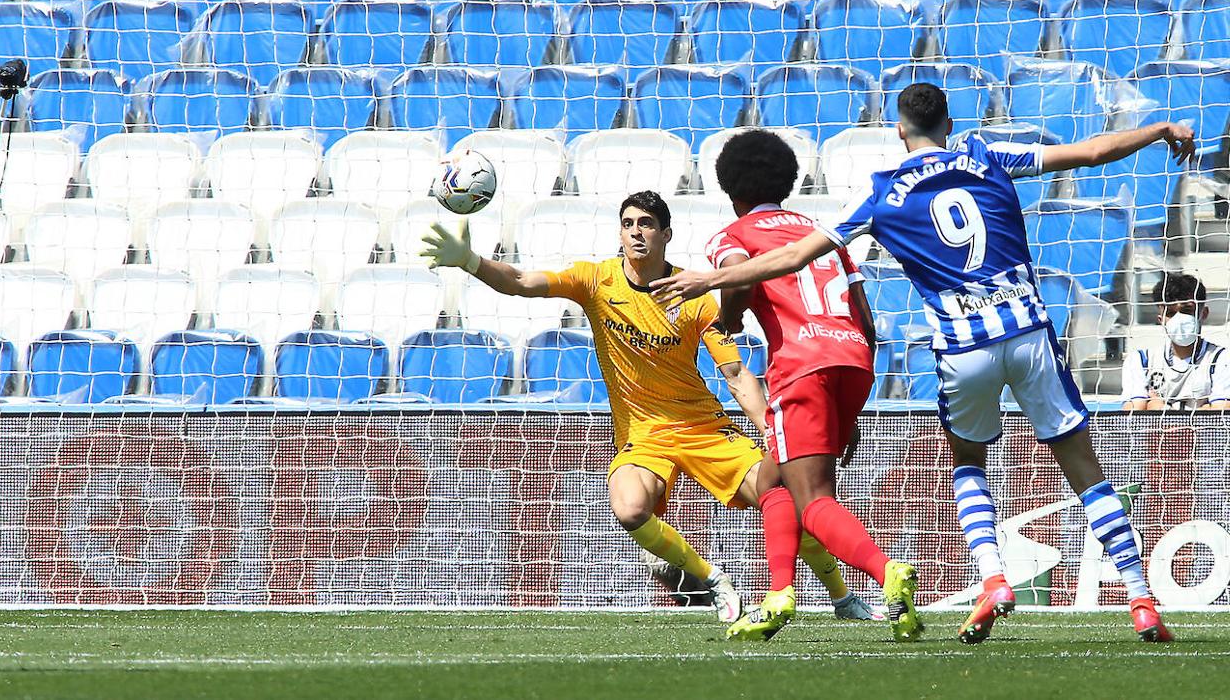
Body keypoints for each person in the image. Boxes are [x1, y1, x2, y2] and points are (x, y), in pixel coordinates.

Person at [652, 83, 1195, 643]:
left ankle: (993, 580)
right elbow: (1090, 152)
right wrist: (1159, 130)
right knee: (1084, 472)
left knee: (967, 464)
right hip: (1027, 329)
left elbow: (789, 257)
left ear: (899, 130)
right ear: (950, 124)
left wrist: (708, 278)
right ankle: (1139, 597)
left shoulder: (881, 194)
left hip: (963, 347)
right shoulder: (987, 153)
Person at [420, 190, 875, 623]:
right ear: (620, 234)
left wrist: (770, 427)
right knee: (629, 507)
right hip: (644, 437)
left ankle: (842, 595)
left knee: (789, 497)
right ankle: (714, 582)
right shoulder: (595, 281)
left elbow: (736, 375)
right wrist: (472, 262)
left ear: (666, 234)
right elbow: (521, 282)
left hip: (705, 429)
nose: (636, 232)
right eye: (628, 224)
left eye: (647, 224)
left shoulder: (694, 299)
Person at [702, 129, 923, 643]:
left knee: (813, 500)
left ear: (727, 187)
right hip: (853, 359)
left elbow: (737, 281)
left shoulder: (731, 236)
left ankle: (886, 571)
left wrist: (730, 320)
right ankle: (778, 596)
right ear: (788, 181)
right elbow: (865, 316)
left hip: (801, 364)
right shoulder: (822, 231)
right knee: (773, 479)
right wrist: (854, 406)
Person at [1122, 272, 1230, 410]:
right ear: (1161, 320)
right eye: (1171, 313)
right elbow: (1133, 417)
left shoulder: (1222, 359)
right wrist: (1204, 408)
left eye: (1187, 311)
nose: (1179, 320)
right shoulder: (1140, 361)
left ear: (1204, 314)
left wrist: (1159, 407)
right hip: (1158, 433)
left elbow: (1221, 415)